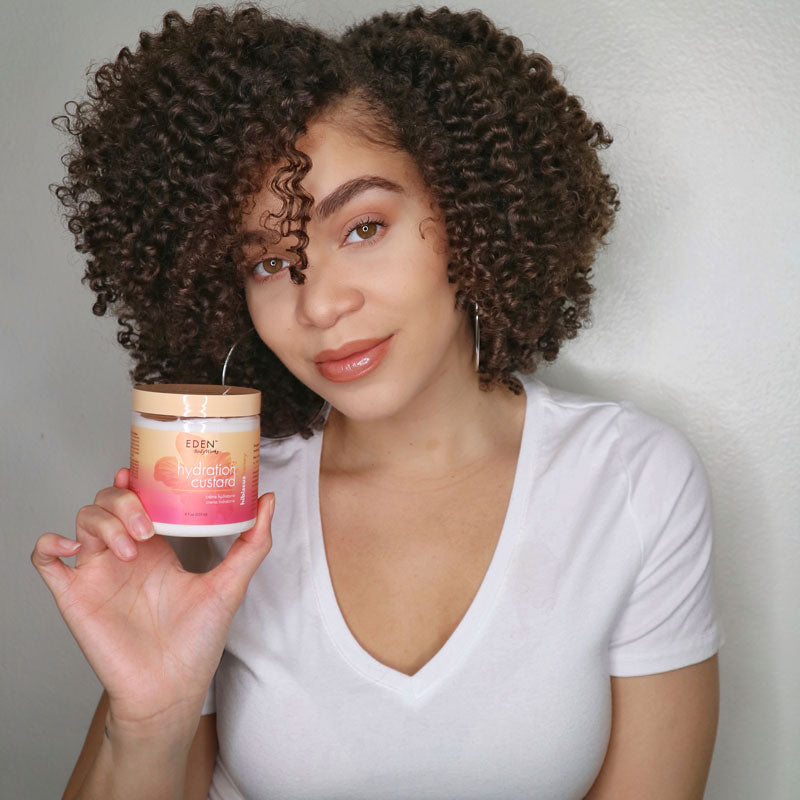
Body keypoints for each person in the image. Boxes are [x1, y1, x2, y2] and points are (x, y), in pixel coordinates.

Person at [32, 5, 724, 799]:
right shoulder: (218, 502)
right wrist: (150, 718)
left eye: (362, 228)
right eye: (267, 263)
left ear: (468, 211)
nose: (319, 305)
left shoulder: (630, 481)